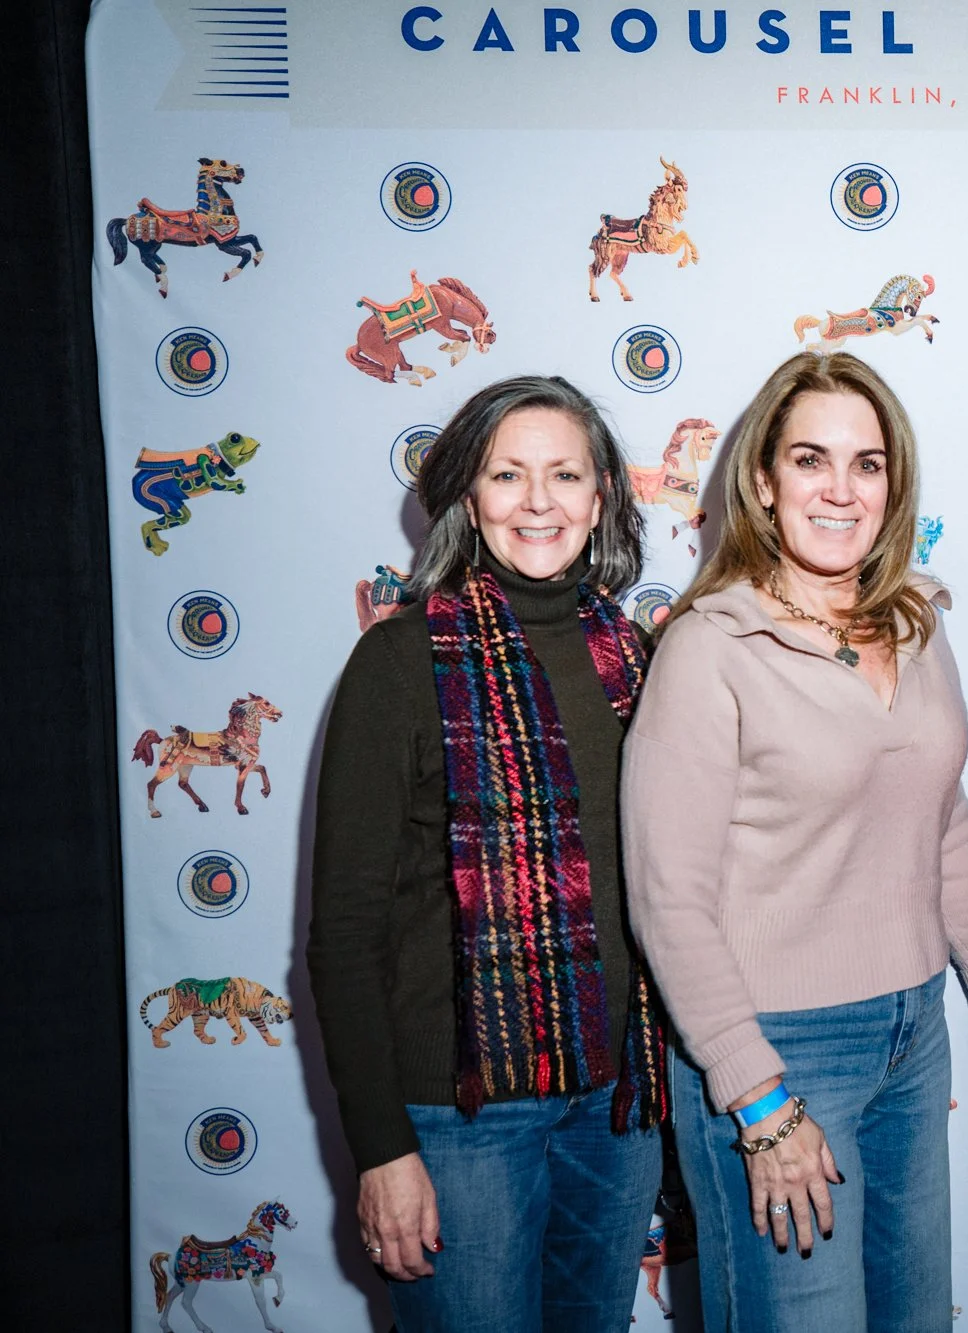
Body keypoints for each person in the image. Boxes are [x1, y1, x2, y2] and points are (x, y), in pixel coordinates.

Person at [621, 351, 968, 1333]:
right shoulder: (711, 645)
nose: (840, 489)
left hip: (911, 1031)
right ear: (762, 480)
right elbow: (667, 895)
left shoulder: (916, 623)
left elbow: (939, 821)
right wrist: (757, 1099)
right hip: (777, 1050)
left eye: (867, 464)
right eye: (810, 459)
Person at [308, 375, 669, 1332]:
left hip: (615, 1105)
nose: (539, 501)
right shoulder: (397, 664)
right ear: (470, 497)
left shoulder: (633, 657)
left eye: (565, 474)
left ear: (602, 498)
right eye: (509, 475)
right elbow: (345, 935)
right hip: (460, 1121)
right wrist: (383, 1150)